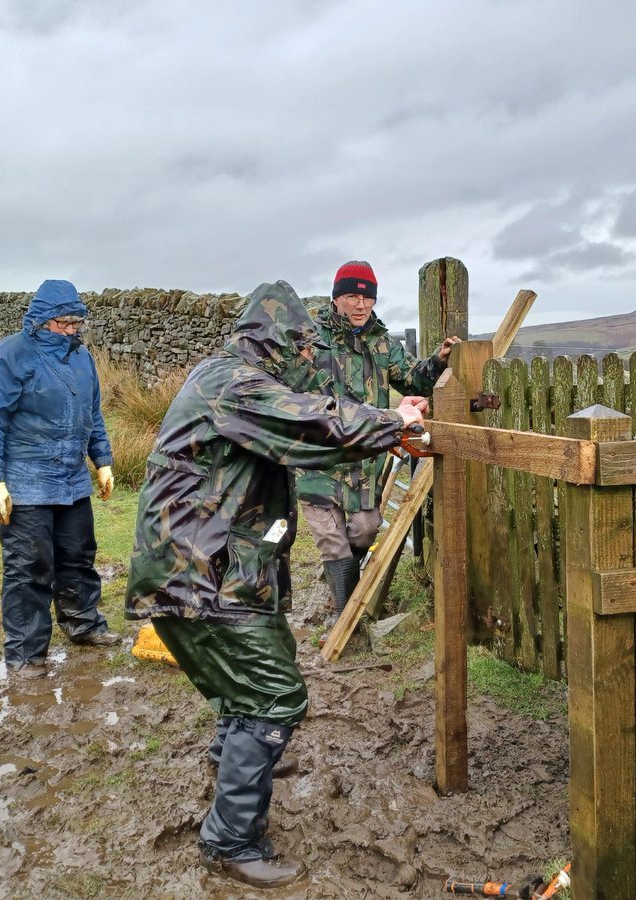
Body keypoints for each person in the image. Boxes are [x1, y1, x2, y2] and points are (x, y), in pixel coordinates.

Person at [125, 280, 427, 889]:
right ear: (279, 342)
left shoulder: (233, 382)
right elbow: (310, 424)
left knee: (259, 676)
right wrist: (393, 418)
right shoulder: (234, 384)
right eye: (305, 346)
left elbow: (305, 446)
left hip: (219, 572)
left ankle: (236, 770)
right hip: (201, 579)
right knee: (274, 695)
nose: (312, 358)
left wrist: (382, 429)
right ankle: (231, 839)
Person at [0, 278, 121, 680]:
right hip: (26, 480)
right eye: (64, 323)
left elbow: (93, 412)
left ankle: (83, 624)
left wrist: (101, 459)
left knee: (78, 555)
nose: (72, 330)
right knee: (29, 566)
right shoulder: (12, 354)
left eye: (76, 323)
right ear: (41, 320)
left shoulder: (81, 358)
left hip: (72, 479)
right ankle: (25, 654)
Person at [296, 260, 459, 628]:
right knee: (331, 538)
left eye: (367, 297)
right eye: (352, 296)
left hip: (365, 461)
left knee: (365, 529)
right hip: (319, 456)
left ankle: (342, 584)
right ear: (336, 298)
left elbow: (412, 380)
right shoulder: (311, 338)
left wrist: (437, 361)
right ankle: (345, 621)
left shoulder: (382, 342)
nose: (360, 305)